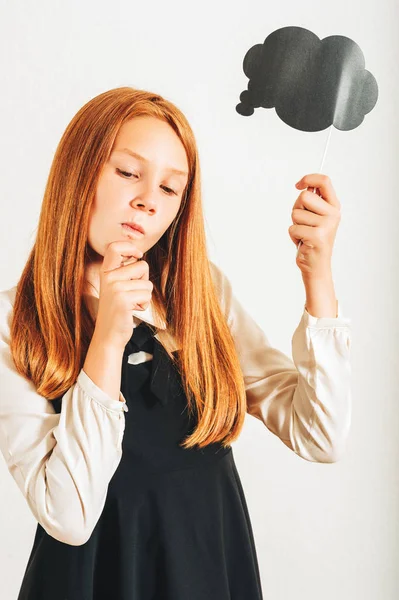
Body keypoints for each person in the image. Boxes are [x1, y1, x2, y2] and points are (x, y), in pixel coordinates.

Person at [0, 87, 351, 600]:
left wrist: (317, 275)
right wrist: (108, 336)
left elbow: (320, 436)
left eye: (170, 188)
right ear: (79, 172)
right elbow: (69, 517)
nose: (147, 198)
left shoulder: (197, 291)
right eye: (127, 172)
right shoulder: (15, 321)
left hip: (207, 569)